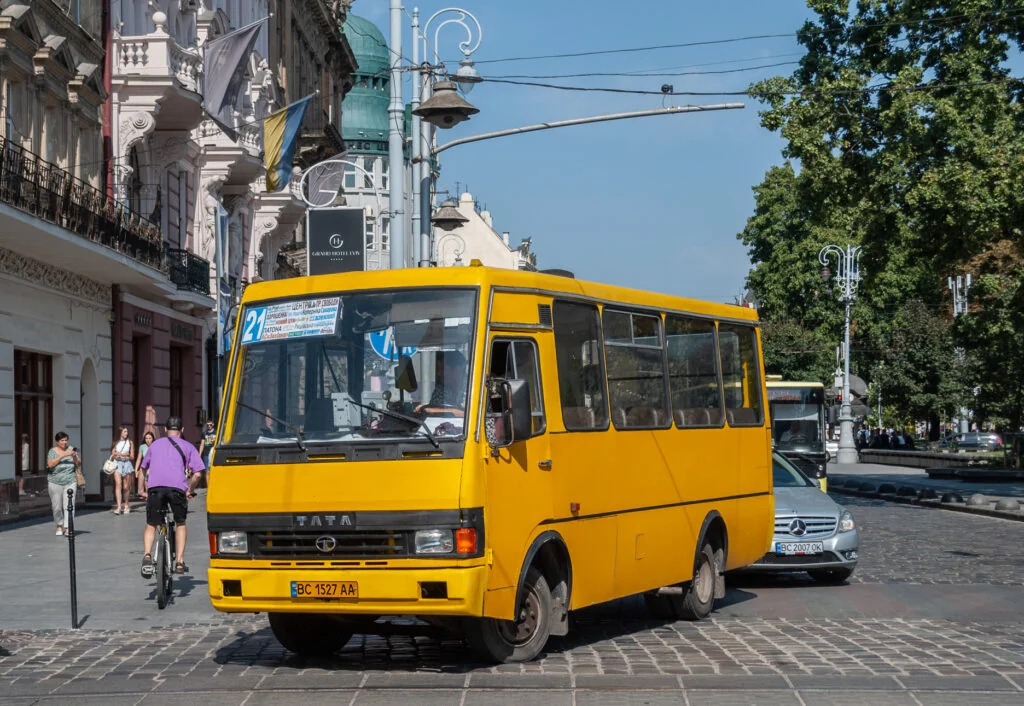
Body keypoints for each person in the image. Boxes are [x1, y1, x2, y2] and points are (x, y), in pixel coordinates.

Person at [139, 417, 205, 578]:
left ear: (165, 430)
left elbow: (143, 468)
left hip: (155, 488)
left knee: (151, 524)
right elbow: (197, 474)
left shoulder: (154, 445)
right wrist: (189, 489)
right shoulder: (188, 446)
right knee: (181, 522)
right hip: (177, 489)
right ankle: (180, 562)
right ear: (182, 430)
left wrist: (141, 489)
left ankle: (147, 556)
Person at [46, 432, 80, 537]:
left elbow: (78, 464)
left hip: (70, 481)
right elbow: (50, 464)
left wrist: (74, 456)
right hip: (55, 482)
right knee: (57, 507)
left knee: (69, 506)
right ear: (57, 441)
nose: (64, 442)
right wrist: (63, 455)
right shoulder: (52, 451)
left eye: (66, 440)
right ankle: (59, 525)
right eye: (62, 440)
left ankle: (68, 527)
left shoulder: (71, 449)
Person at [416, 351, 468, 418]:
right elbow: (432, 408)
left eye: (442, 369)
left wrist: (427, 409)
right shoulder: (440, 389)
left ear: (456, 369)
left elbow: (466, 414)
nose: (439, 373)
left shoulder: (472, 387)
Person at [111, 426, 135, 514]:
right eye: (124, 432)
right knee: (118, 484)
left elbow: (132, 456)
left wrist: (121, 454)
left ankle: (126, 505)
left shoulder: (130, 442)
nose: (126, 433)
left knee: (126, 487)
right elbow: (113, 454)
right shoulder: (115, 442)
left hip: (127, 464)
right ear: (120, 432)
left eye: (127, 432)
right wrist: (116, 455)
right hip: (117, 464)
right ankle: (119, 507)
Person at [135, 431, 155, 499]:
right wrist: (136, 469)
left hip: (154, 468)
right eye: (146, 438)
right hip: (145, 469)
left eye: (150, 438)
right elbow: (139, 459)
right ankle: (150, 503)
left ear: (152, 438)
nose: (148, 440)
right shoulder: (142, 447)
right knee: (146, 487)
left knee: (152, 487)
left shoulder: (155, 446)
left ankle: (153, 500)